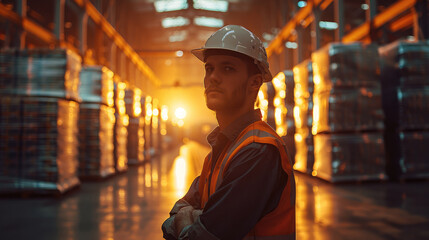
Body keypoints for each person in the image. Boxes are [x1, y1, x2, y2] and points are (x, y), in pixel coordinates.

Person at [162, 25, 296, 240]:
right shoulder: (221, 150)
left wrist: (189, 218)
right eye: (209, 69)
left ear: (254, 83)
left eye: (227, 69)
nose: (213, 77)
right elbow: (174, 215)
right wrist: (193, 218)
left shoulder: (259, 151)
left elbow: (201, 236)